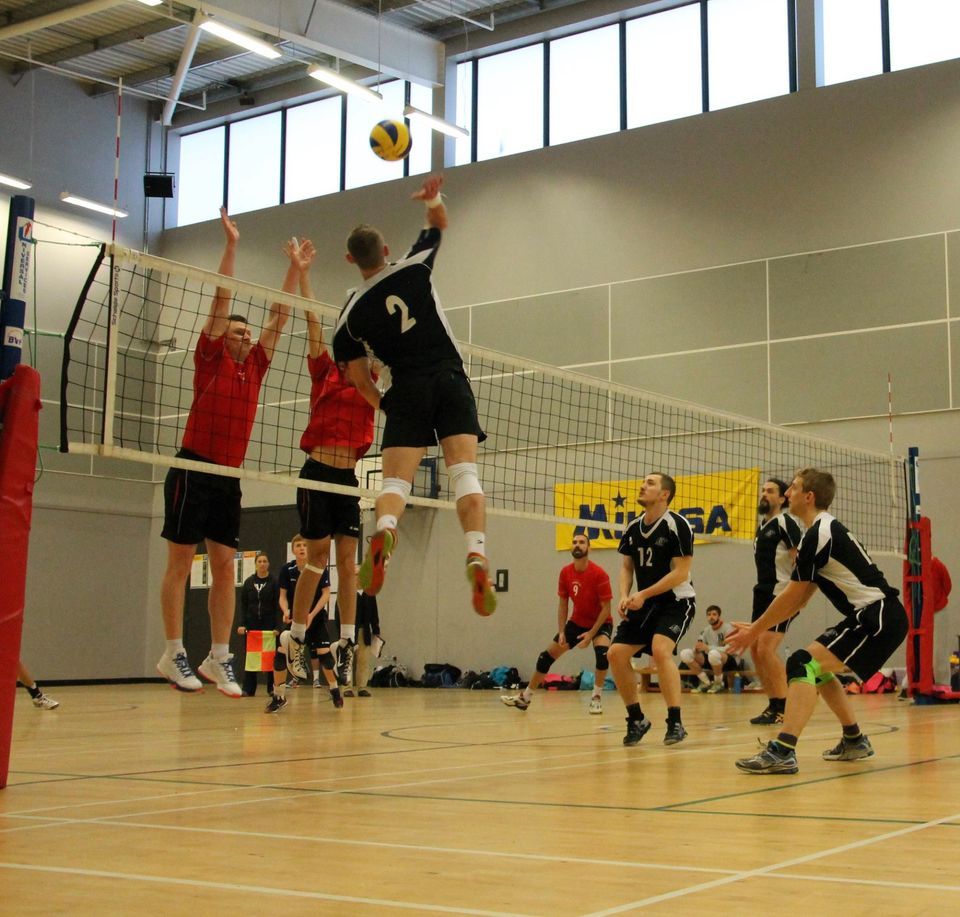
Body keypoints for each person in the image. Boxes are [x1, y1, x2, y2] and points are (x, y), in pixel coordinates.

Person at [332, 174, 496, 618]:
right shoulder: (414, 265)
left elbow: (356, 376)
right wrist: (431, 199)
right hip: (448, 377)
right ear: (386, 251)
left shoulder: (348, 316)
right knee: (465, 475)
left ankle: (385, 529)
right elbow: (440, 220)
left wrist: (381, 402)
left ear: (350, 258)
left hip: (404, 389)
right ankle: (476, 552)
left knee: (394, 485)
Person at [156, 209, 291, 697]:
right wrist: (231, 246)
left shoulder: (255, 367)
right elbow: (221, 296)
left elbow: (279, 318)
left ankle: (218, 658)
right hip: (193, 466)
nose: (246, 336)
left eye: (247, 334)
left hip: (228, 477)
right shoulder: (209, 356)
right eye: (238, 332)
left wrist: (296, 269)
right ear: (221, 338)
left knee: (224, 567)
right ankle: (173, 652)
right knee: (177, 563)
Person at [727, 468, 909, 775]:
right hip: (873, 615)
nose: (787, 494)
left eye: (793, 488)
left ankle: (783, 750)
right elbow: (801, 596)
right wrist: (759, 626)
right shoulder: (821, 532)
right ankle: (854, 739)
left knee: (800, 663)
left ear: (808, 497)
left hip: (876, 616)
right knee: (815, 668)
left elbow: (794, 593)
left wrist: (756, 630)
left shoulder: (818, 534)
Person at [280, 239, 375, 691]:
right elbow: (312, 319)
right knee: (316, 561)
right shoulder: (326, 370)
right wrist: (301, 273)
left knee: (349, 564)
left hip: (347, 479)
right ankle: (296, 637)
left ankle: (346, 643)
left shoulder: (373, 380)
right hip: (317, 473)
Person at [607, 472, 695, 747]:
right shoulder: (633, 527)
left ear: (665, 494)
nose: (643, 486)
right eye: (644, 482)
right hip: (644, 603)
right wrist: (623, 595)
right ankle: (636, 719)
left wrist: (642, 594)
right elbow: (626, 567)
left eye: (650, 483)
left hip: (676, 602)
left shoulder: (677, 525)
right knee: (615, 654)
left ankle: (675, 721)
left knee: (660, 650)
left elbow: (681, 573)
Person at [501, 533, 613, 714]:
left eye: (582, 542)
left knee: (602, 654)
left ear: (589, 548)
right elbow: (563, 604)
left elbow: (606, 609)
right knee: (546, 656)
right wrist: (561, 631)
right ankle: (526, 697)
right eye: (575, 542)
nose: (577, 545)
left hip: (601, 623)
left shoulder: (599, 574)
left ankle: (596, 697)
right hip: (577, 622)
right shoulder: (565, 572)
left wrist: (591, 634)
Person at [266, 533, 342, 712]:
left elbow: (325, 594)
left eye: (305, 545)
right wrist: (286, 611)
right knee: (280, 656)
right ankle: (279, 696)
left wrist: (312, 614)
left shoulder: (317, 567)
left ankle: (334, 689)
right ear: (293, 550)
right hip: (295, 620)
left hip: (315, 618)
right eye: (298, 545)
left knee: (324, 656)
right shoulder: (287, 570)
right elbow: (282, 597)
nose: (301, 548)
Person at [748, 478, 803, 724]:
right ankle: (773, 705)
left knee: (765, 648)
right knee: (754, 649)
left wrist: (795, 595)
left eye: (770, 491)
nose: (764, 494)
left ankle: (785, 707)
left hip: (781, 593)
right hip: (762, 592)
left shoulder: (785, 522)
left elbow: (798, 559)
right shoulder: (762, 526)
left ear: (782, 498)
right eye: (763, 490)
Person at [237, 552, 281, 696]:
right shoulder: (249, 582)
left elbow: (277, 605)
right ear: (255, 564)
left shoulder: (274, 582)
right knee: (251, 657)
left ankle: (271, 688)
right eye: (259, 561)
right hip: (252, 626)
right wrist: (242, 624)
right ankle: (249, 689)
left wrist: (277, 626)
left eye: (265, 561)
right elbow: (243, 605)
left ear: (268, 564)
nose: (262, 564)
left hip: (269, 626)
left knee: (270, 657)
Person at [679, 604, 737, 693]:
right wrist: (697, 649)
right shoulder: (706, 630)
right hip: (710, 659)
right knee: (685, 653)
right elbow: (701, 644)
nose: (711, 617)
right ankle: (705, 682)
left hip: (728, 660)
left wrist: (708, 648)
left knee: (713, 653)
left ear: (719, 616)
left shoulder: (728, 628)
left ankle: (718, 683)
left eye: (714, 614)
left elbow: (730, 649)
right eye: (709, 614)